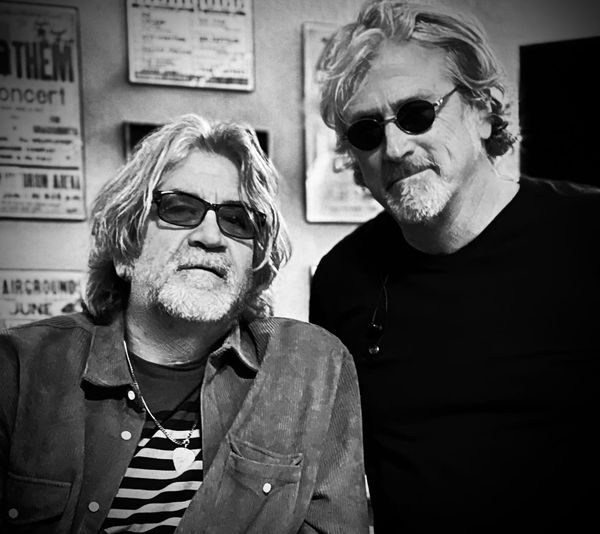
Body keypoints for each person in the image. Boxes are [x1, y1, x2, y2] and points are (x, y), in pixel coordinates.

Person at [0, 114, 369, 533]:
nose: (210, 237)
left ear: (256, 265)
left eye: (238, 220)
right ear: (126, 246)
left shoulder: (312, 368)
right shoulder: (19, 370)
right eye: (179, 209)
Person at [309, 1, 600, 532]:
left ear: (484, 109)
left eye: (417, 114)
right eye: (367, 132)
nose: (395, 147)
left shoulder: (586, 233)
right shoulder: (341, 279)